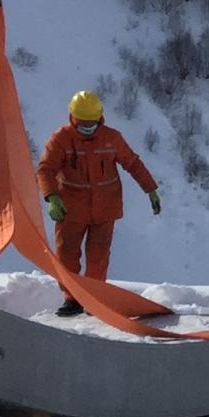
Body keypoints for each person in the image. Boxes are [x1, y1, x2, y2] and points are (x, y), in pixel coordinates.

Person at [36, 88, 159, 315]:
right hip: (70, 209)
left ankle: (95, 299)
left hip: (105, 209)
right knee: (67, 255)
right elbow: (45, 169)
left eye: (92, 124)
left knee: (99, 256)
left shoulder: (111, 138)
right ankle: (72, 298)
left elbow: (132, 163)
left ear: (100, 118)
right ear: (73, 118)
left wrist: (150, 189)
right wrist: (52, 197)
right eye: (83, 125)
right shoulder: (61, 139)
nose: (88, 128)